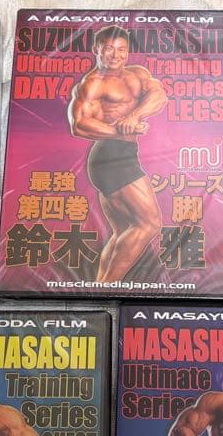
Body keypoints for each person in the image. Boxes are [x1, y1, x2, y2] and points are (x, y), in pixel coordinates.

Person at [68, 25, 167, 282]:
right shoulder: (93, 83)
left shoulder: (137, 74)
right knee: (149, 224)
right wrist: (118, 130)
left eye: (121, 49)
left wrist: (134, 116)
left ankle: (100, 286)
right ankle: (110, 285)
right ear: (97, 49)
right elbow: (79, 124)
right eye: (110, 49)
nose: (116, 55)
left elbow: (159, 95)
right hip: (110, 155)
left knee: (123, 229)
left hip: (124, 152)